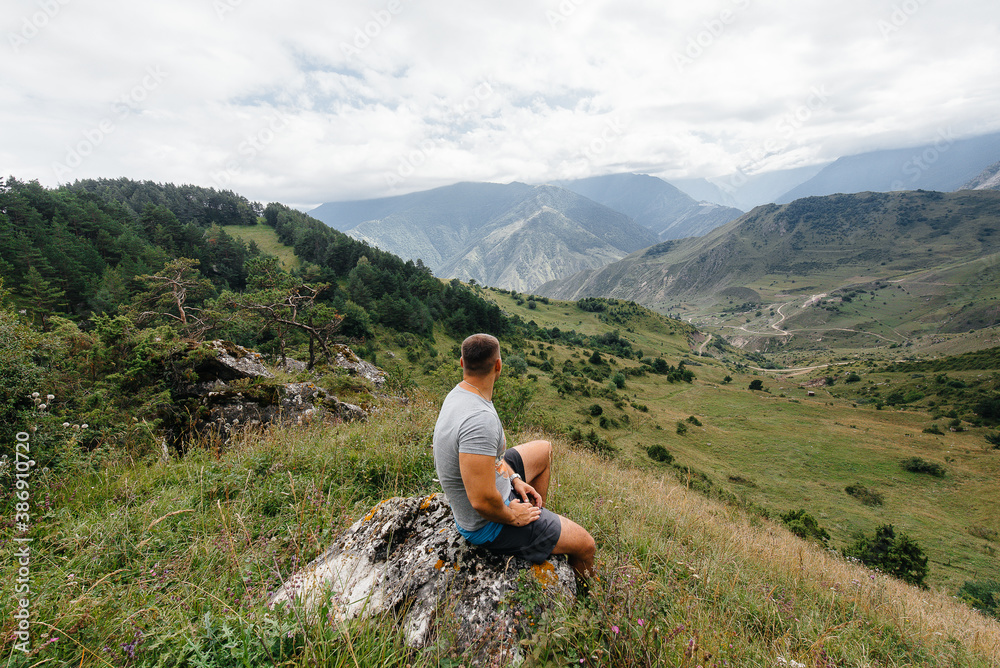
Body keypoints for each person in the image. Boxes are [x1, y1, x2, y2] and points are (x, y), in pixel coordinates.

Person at [433, 333, 596, 577]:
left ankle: (539, 516)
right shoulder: (480, 420)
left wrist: (516, 479)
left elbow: (494, 459)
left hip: (493, 484)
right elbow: (481, 501)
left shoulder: (461, 394)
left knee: (543, 449)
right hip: (486, 524)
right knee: (586, 545)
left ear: (462, 363)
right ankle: (587, 598)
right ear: (498, 365)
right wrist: (512, 516)